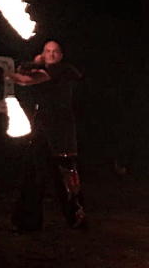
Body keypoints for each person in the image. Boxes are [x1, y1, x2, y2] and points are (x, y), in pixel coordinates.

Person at [5, 39, 88, 232]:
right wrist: (35, 62)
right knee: (33, 175)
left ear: (61, 55)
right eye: (47, 51)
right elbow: (27, 73)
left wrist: (7, 75)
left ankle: (77, 219)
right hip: (43, 132)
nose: (51, 54)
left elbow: (28, 80)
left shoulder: (64, 69)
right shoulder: (45, 69)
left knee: (67, 179)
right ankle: (28, 222)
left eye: (55, 51)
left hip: (61, 134)